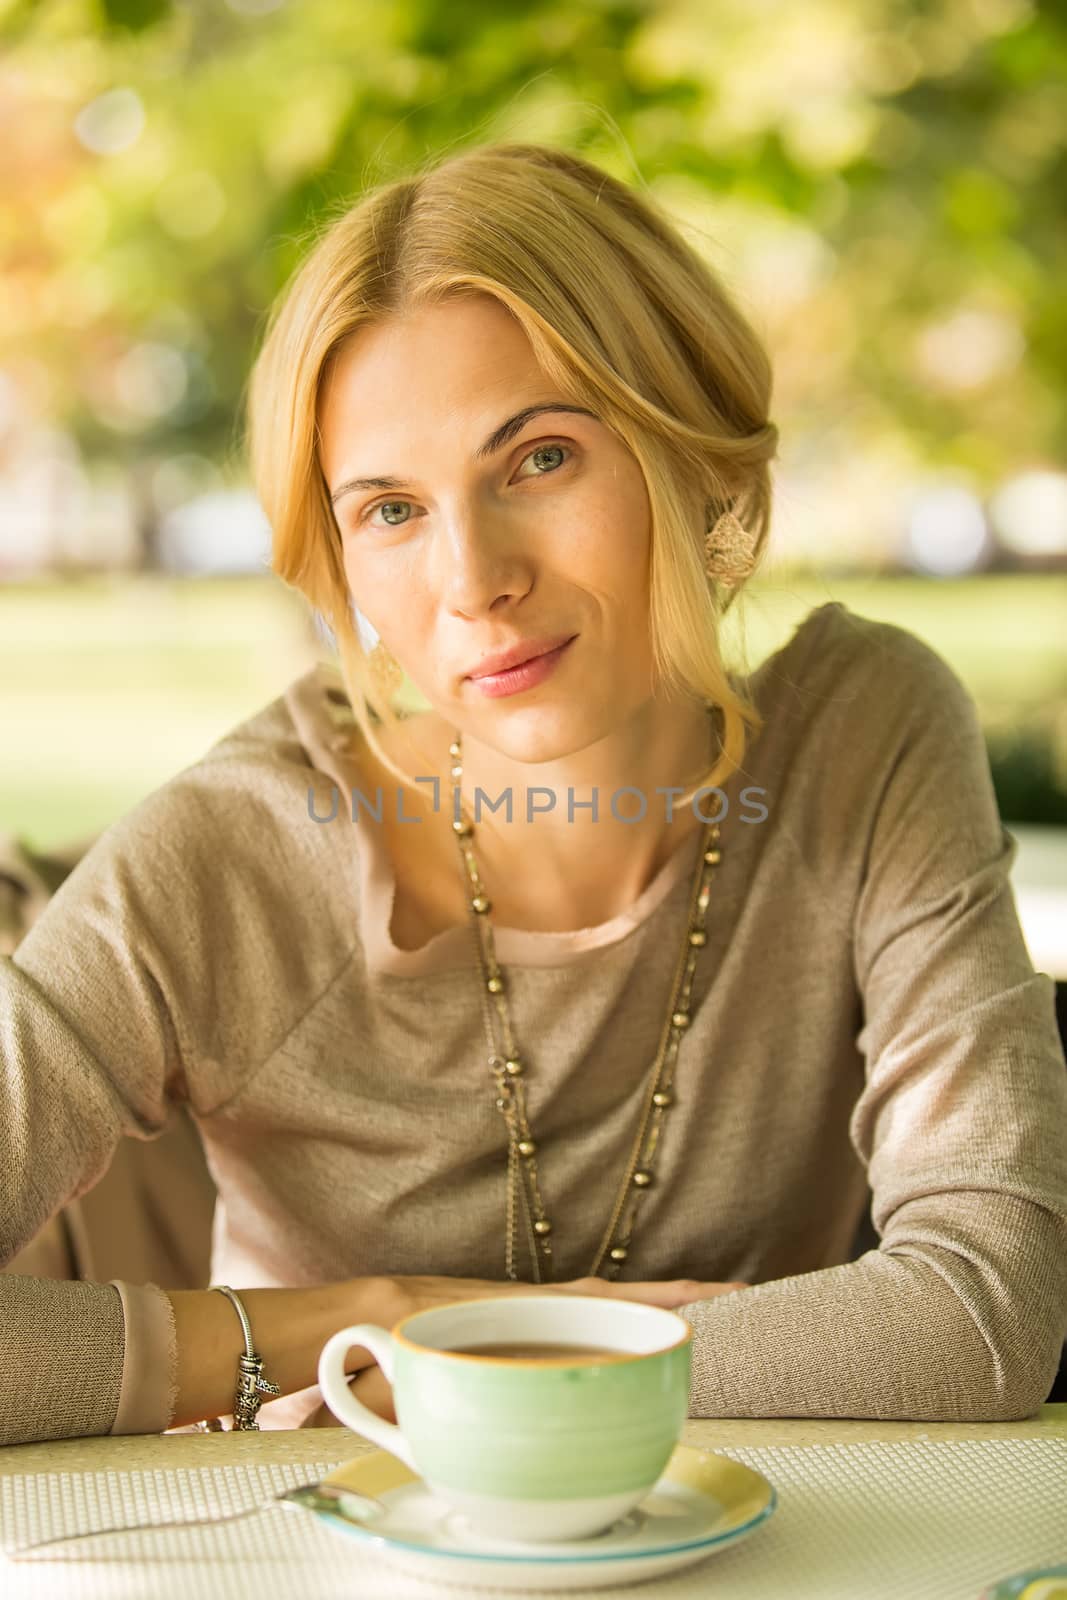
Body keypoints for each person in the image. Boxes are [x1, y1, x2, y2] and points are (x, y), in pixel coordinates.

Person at [2, 140, 1065, 1448]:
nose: (474, 580)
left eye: (540, 459)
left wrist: (506, 1354)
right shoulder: (230, 852)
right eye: (392, 511)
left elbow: (986, 1310)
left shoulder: (865, 737)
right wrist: (347, 1321)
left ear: (696, 454)